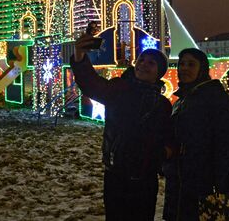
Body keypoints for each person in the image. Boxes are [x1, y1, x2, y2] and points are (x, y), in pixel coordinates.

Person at [71, 34, 174, 220]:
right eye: (141, 60)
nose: (143, 64)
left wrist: (162, 153)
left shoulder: (162, 104)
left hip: (145, 177)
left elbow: (167, 136)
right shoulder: (119, 89)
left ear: (159, 72)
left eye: (151, 63)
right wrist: (79, 56)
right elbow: (91, 84)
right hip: (117, 173)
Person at [162, 48, 229, 221]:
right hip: (181, 177)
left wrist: (220, 177)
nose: (184, 68)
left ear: (202, 68)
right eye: (181, 64)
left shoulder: (213, 97)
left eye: (191, 64)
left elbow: (228, 139)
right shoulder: (184, 97)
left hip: (205, 178)